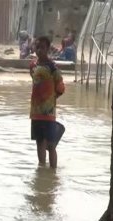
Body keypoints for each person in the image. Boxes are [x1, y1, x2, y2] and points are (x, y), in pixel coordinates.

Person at [29, 36, 65, 169]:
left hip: (48, 112)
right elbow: (35, 80)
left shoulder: (52, 67)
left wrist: (52, 99)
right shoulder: (33, 65)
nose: (39, 50)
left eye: (42, 48)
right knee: (39, 143)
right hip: (36, 112)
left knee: (50, 145)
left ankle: (53, 172)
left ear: (48, 49)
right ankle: (42, 171)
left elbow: (61, 87)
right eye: (37, 47)